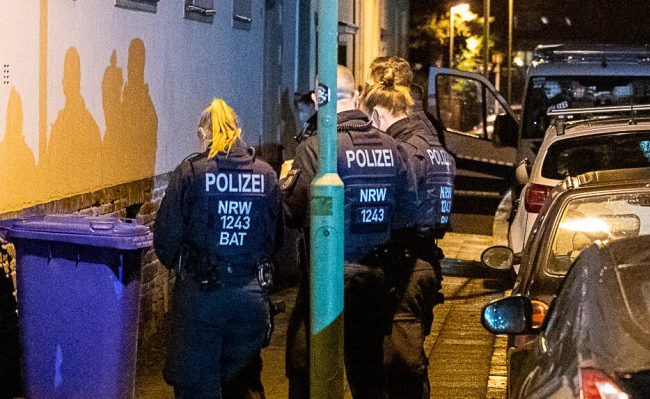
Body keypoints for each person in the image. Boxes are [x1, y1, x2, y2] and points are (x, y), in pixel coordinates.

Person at [281, 66, 418, 399]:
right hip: (376, 278)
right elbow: (408, 211)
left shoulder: (316, 148)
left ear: (318, 99)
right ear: (356, 95)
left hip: (327, 279)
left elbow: (295, 212)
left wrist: (284, 187)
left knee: (307, 367)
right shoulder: (391, 146)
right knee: (368, 375)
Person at [153, 98, 281, 399]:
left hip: (202, 297)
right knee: (244, 384)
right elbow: (274, 241)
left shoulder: (191, 173)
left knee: (196, 384)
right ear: (238, 131)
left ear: (203, 134)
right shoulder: (265, 175)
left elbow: (166, 242)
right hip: (251, 296)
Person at [362, 66, 457, 397]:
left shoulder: (404, 150)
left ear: (377, 113)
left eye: (369, 121)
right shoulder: (430, 139)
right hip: (424, 260)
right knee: (408, 363)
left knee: (399, 366)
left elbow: (395, 209)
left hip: (403, 267)